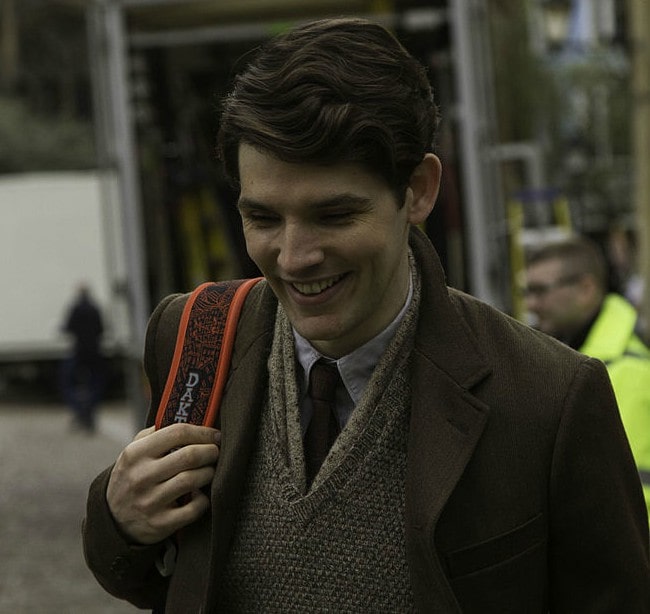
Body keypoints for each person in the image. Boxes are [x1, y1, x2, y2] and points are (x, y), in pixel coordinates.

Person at [83, 18, 650, 612]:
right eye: (264, 218)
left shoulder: (551, 398)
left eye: (334, 216)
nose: (295, 256)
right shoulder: (193, 336)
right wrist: (119, 519)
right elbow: (165, 577)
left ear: (419, 190)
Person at [525, 234, 650, 518]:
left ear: (585, 289)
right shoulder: (590, 358)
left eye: (540, 290)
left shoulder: (623, 370)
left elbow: (627, 492)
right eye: (527, 292)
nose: (531, 304)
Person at [60, 284, 104, 432]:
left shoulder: (75, 309)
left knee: (67, 382)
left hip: (79, 351)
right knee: (96, 383)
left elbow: (68, 327)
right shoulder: (95, 308)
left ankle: (80, 410)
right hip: (94, 351)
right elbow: (101, 329)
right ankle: (90, 409)